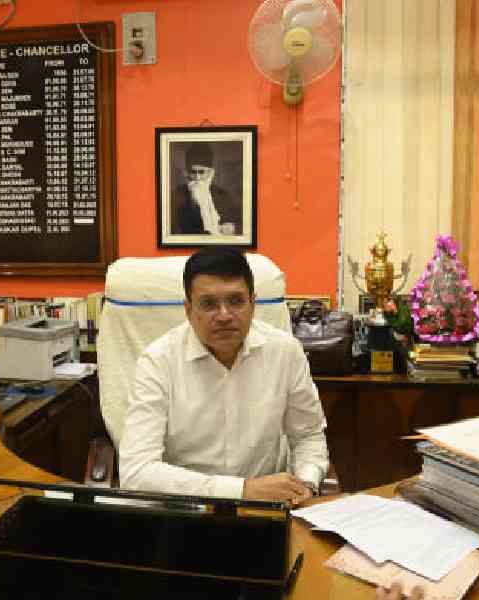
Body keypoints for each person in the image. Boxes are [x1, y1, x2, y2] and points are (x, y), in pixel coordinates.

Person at [118, 247, 329, 503]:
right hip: (184, 511)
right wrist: (241, 490)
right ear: (188, 309)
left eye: (236, 301)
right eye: (208, 304)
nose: (224, 316)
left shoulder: (285, 352)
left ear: (253, 302)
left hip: (266, 509)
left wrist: (305, 483)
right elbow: (137, 472)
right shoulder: (158, 362)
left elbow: (307, 435)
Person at [172, 142, 241, 235]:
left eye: (201, 172)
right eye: (193, 172)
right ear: (187, 172)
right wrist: (194, 202)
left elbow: (241, 224)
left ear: (210, 173)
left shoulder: (223, 196)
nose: (197, 177)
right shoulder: (177, 195)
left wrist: (233, 228)